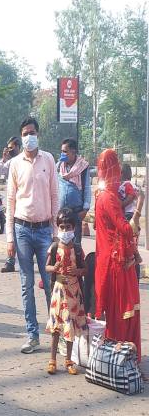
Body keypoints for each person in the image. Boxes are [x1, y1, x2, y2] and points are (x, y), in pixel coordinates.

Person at [6, 116, 59, 354]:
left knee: (50, 284)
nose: (29, 136)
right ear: (21, 136)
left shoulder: (48, 159)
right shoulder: (15, 164)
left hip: (45, 230)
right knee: (27, 284)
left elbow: (55, 197)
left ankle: (58, 334)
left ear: (39, 134)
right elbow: (9, 201)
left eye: (33, 132)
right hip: (22, 230)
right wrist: (9, 238)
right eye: (25, 133)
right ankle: (32, 334)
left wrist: (57, 233)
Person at [95, 149, 142, 362]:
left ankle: (120, 356)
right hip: (119, 264)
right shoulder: (109, 197)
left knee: (118, 312)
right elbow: (126, 229)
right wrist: (140, 206)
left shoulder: (102, 195)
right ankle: (124, 359)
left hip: (111, 259)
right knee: (124, 312)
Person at [45, 208, 88, 375]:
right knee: (56, 327)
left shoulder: (78, 249)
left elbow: (85, 269)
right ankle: (52, 359)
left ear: (74, 228)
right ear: (57, 227)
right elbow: (46, 266)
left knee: (70, 326)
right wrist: (53, 268)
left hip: (74, 292)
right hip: (59, 291)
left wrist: (77, 271)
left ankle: (69, 360)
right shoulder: (55, 247)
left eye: (68, 227)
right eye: (62, 227)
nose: (65, 231)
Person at [57, 138, 91, 247]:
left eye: (65, 151)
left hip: (76, 212)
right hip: (61, 214)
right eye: (62, 151)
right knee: (60, 246)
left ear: (73, 152)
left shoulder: (83, 167)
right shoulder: (59, 166)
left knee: (75, 246)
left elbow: (87, 188)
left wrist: (85, 209)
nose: (62, 154)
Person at [0, 137, 21, 272]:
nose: (10, 150)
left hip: (23, 203)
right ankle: (10, 261)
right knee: (10, 232)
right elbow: (0, 172)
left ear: (18, 147)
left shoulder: (24, 160)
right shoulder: (11, 161)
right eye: (8, 148)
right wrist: (4, 158)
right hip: (12, 202)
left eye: (12, 148)